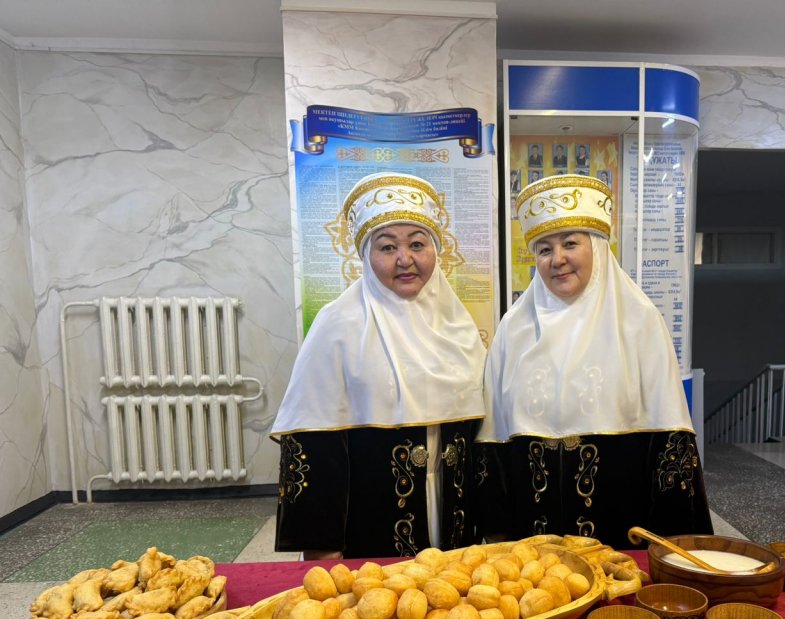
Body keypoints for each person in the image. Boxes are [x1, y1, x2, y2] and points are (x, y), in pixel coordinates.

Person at [476, 174, 712, 549]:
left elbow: (670, 438)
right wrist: (497, 528)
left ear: (598, 248)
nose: (557, 259)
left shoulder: (639, 323)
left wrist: (672, 545)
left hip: (620, 532)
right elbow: (493, 440)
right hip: (534, 543)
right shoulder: (513, 330)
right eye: (544, 249)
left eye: (570, 243)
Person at [272, 172, 487, 560]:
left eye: (417, 244)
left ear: (435, 250)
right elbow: (313, 444)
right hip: (369, 518)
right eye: (387, 247)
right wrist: (323, 549)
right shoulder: (338, 325)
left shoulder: (458, 325)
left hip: (452, 511)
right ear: (366, 258)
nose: (405, 259)